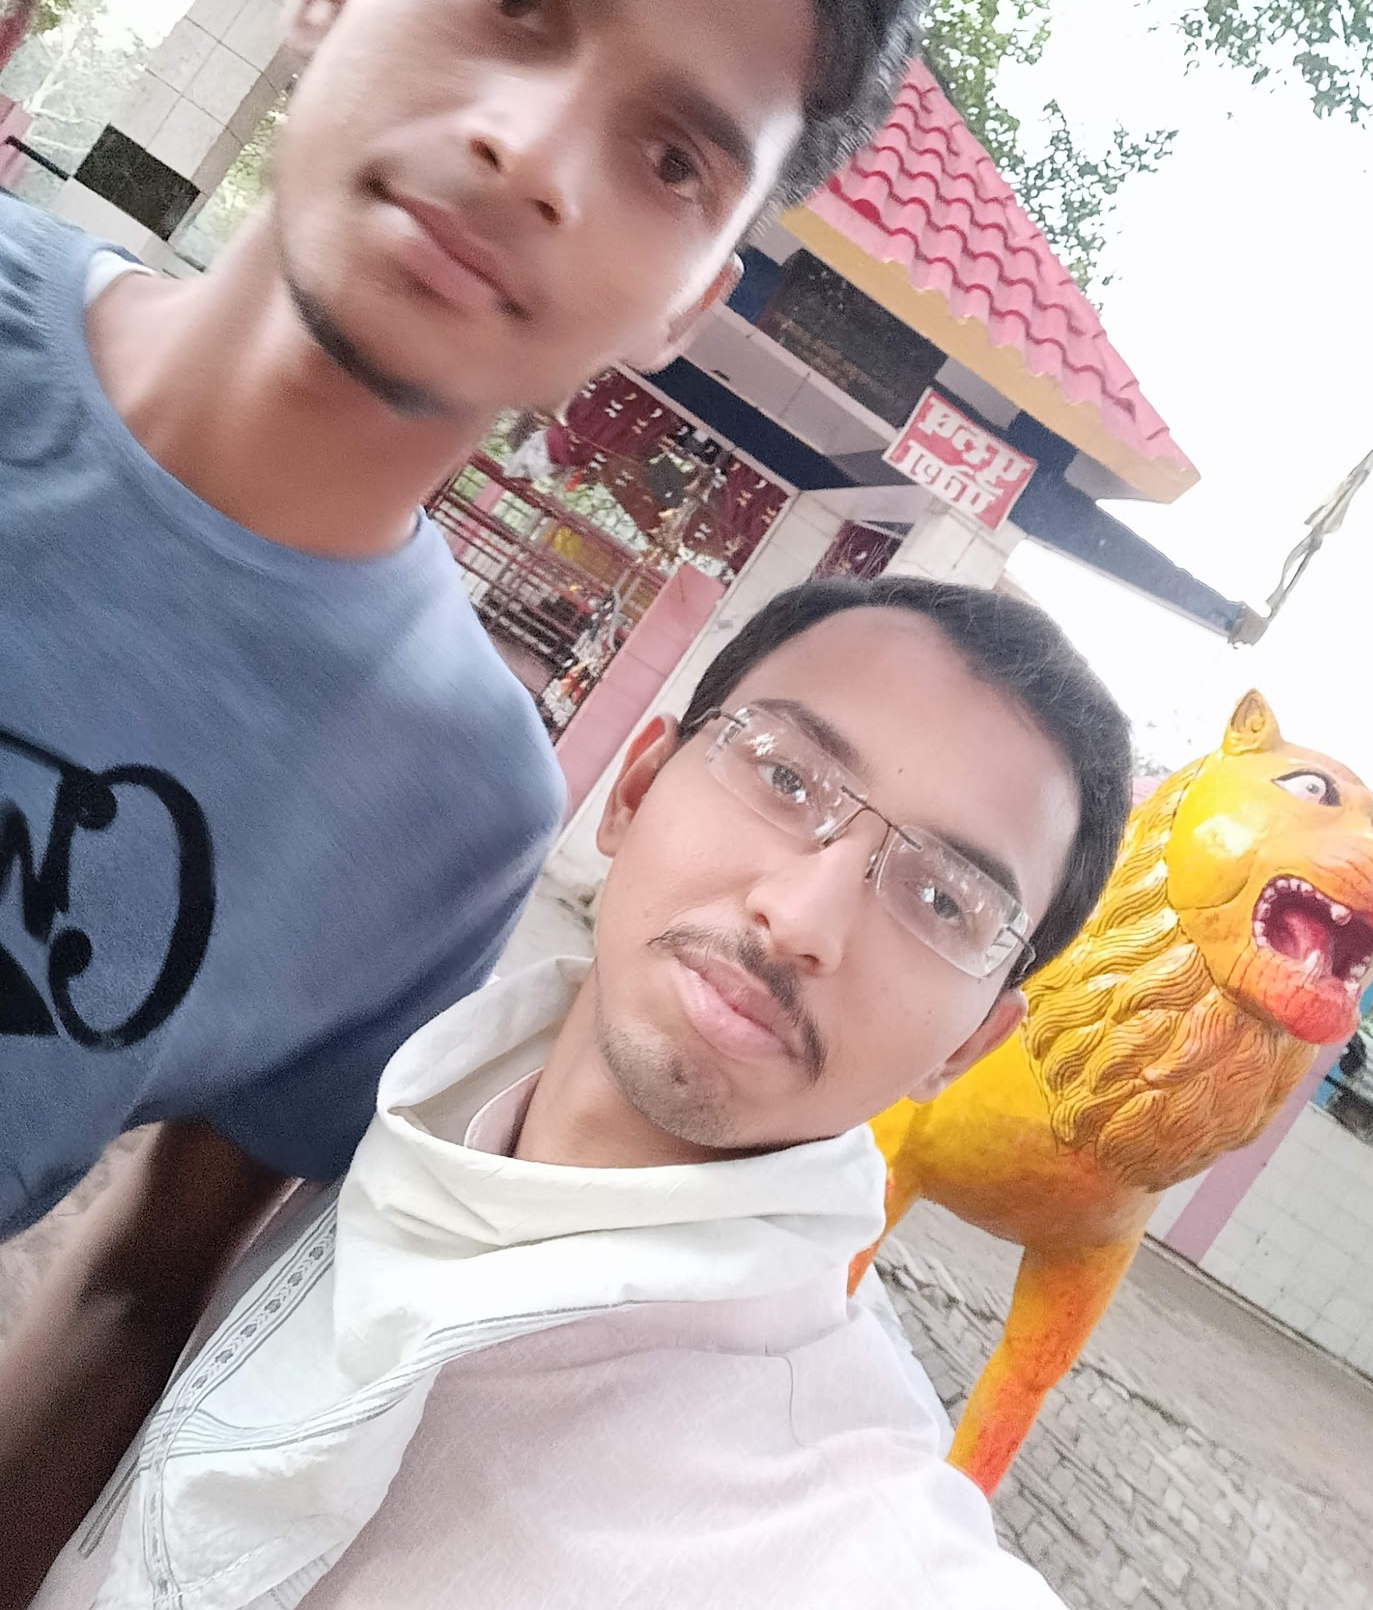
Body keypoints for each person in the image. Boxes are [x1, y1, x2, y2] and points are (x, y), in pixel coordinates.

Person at [0, 0, 935, 1589]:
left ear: (688, 301)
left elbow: (148, 1277)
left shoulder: (449, 801)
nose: (534, 152)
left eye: (673, 160)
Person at [33, 575, 1133, 1609]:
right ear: (636, 789)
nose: (803, 917)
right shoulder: (385, 1095)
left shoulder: (843, 1533)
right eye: (787, 778)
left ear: (970, 1044)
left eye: (942, 902)